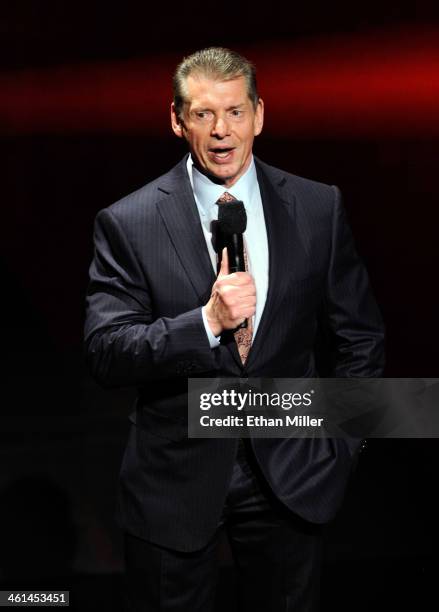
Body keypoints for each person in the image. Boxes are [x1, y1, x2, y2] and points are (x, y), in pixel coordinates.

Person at [84, 47, 385, 611]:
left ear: (260, 115)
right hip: (175, 480)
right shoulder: (128, 222)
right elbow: (105, 352)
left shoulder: (319, 207)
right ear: (177, 120)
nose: (222, 131)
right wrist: (206, 323)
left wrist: (343, 446)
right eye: (203, 114)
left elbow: (360, 338)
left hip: (291, 476)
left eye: (235, 112)